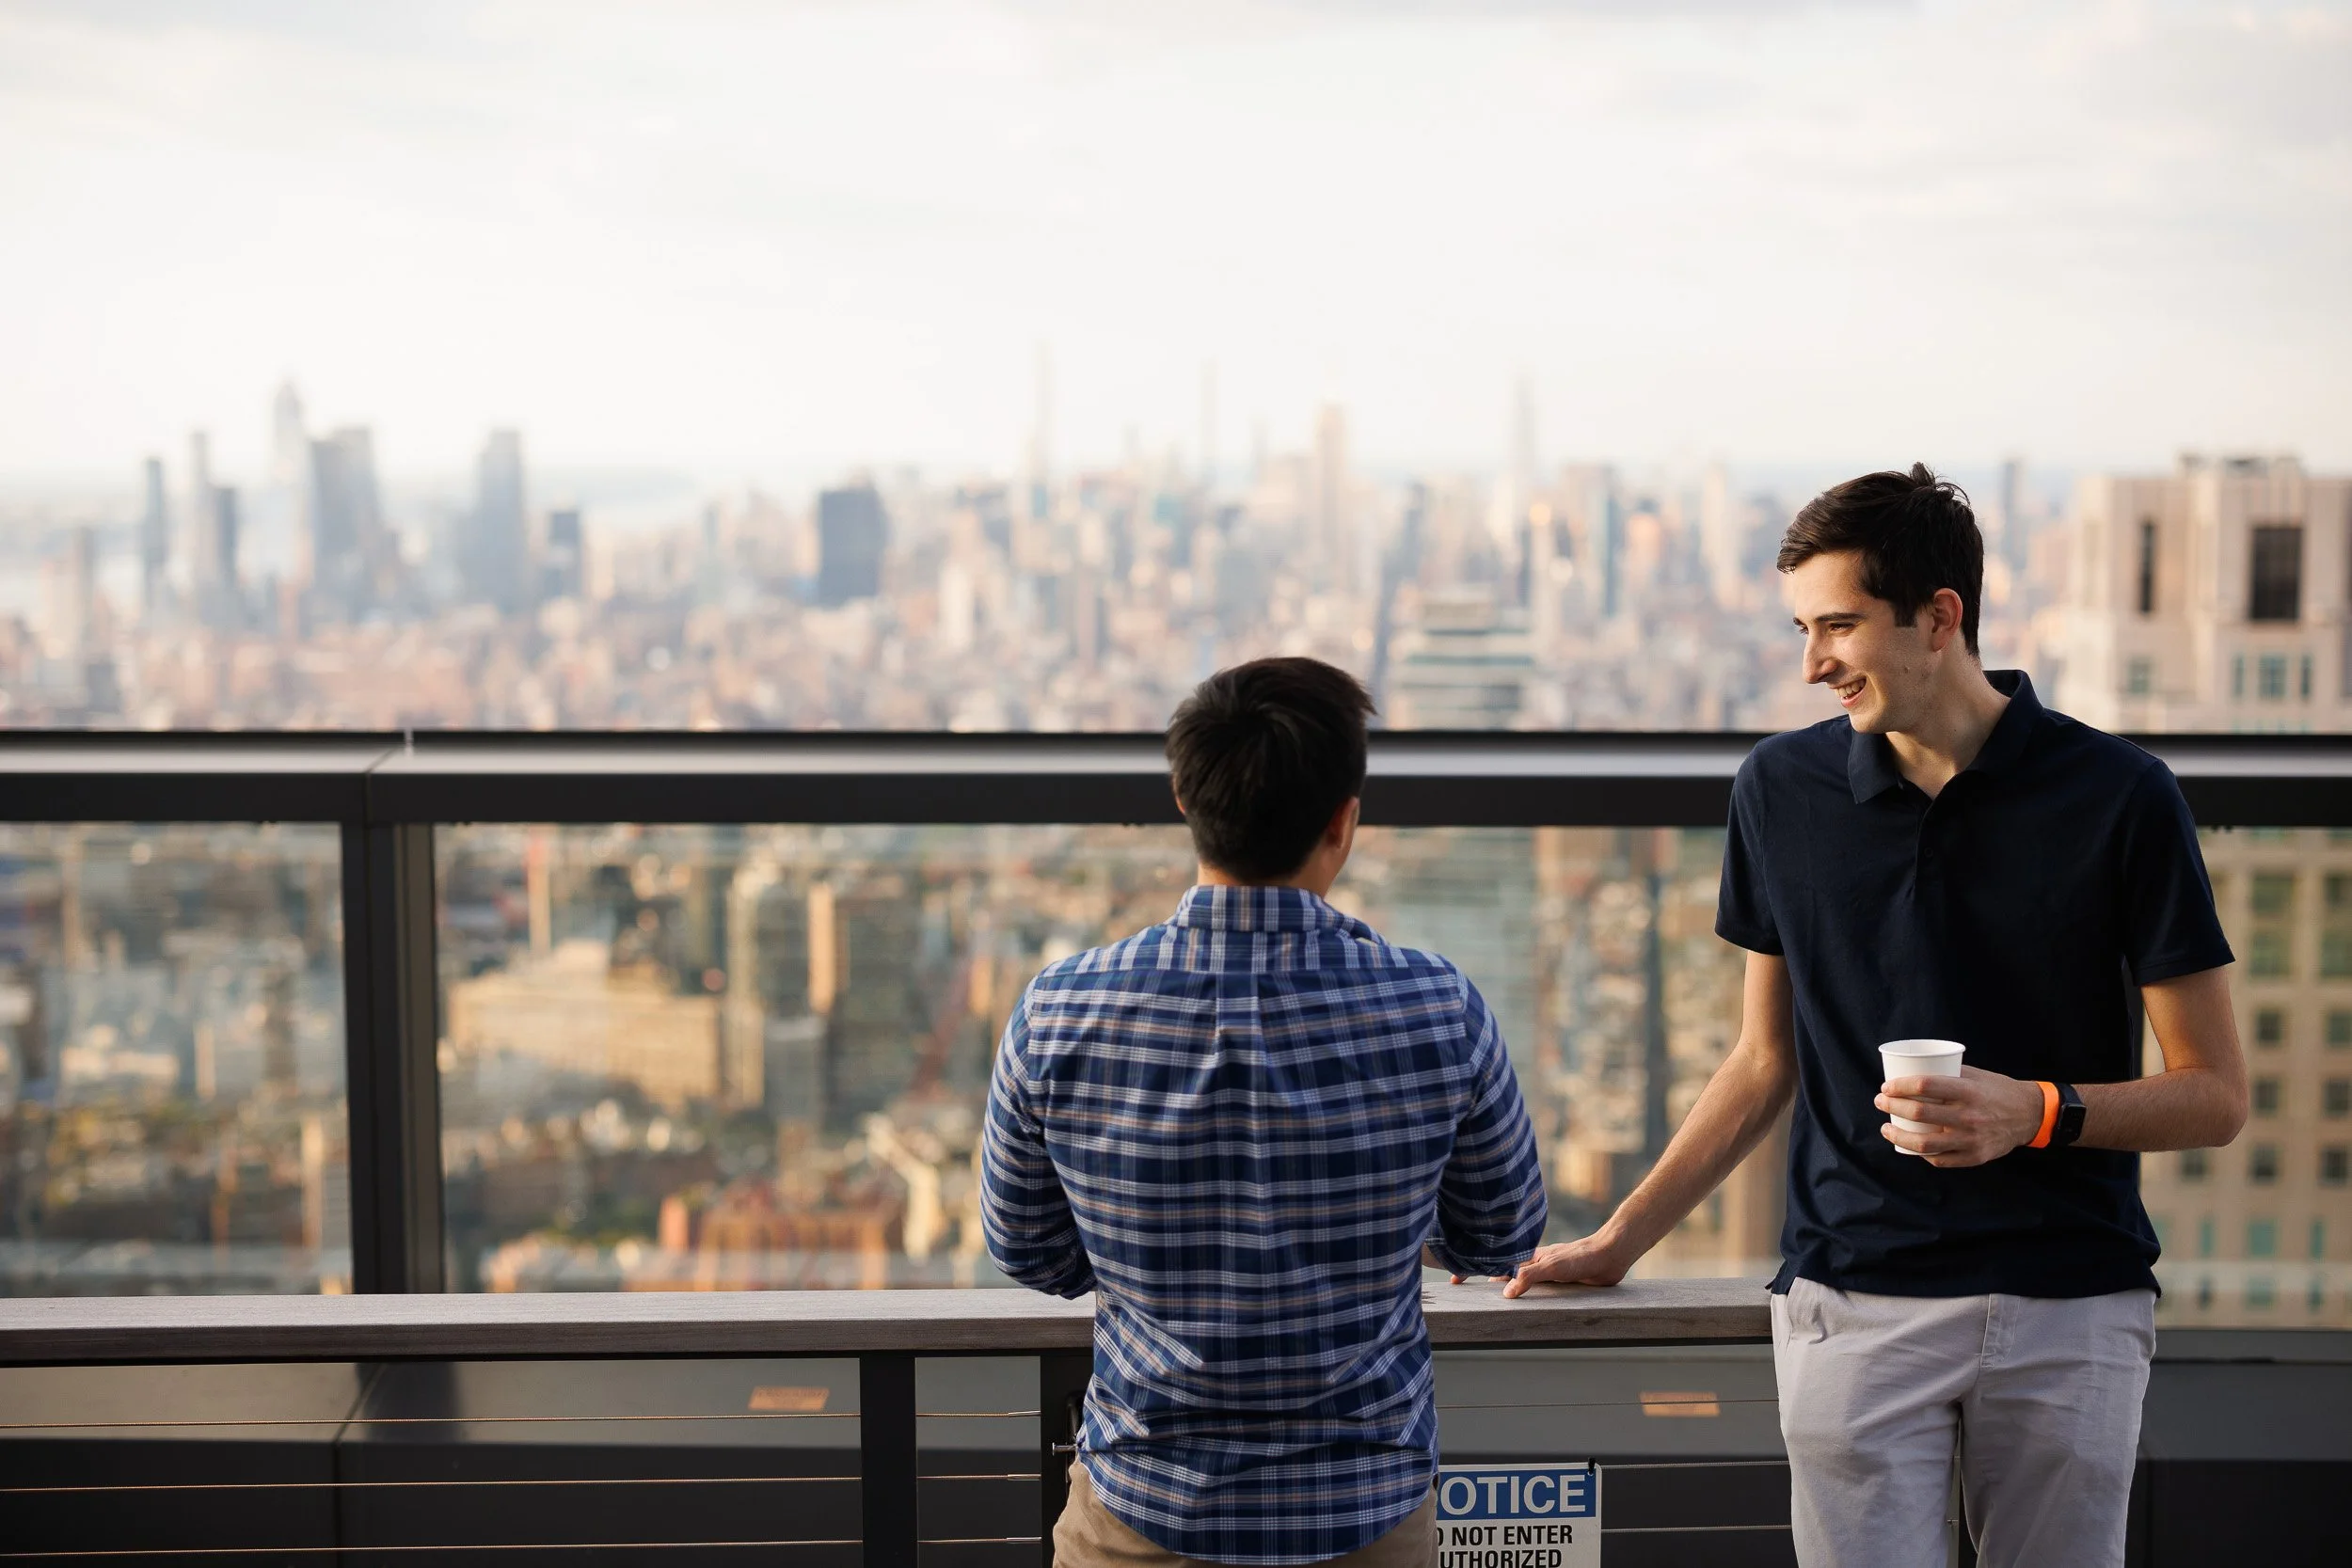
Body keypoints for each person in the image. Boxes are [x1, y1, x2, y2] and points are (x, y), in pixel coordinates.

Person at [1504, 464, 2248, 1568]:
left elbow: (2215, 1094)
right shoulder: (1776, 791)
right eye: (1804, 627)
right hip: (1851, 1301)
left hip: (2068, 1303)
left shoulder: (2122, 795)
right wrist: (1617, 1239)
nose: (1813, 664)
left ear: (1939, 616)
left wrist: (2035, 1111)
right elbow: (1762, 1059)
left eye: (1839, 625)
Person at [981, 655, 1549, 1568]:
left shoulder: (1060, 1009)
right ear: (1343, 820)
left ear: (1183, 796)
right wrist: (1391, 1228)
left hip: (1138, 1510)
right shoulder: (1437, 1007)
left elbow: (1029, 1250)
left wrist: (1150, 1252)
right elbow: (1499, 1235)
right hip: (1365, 1515)